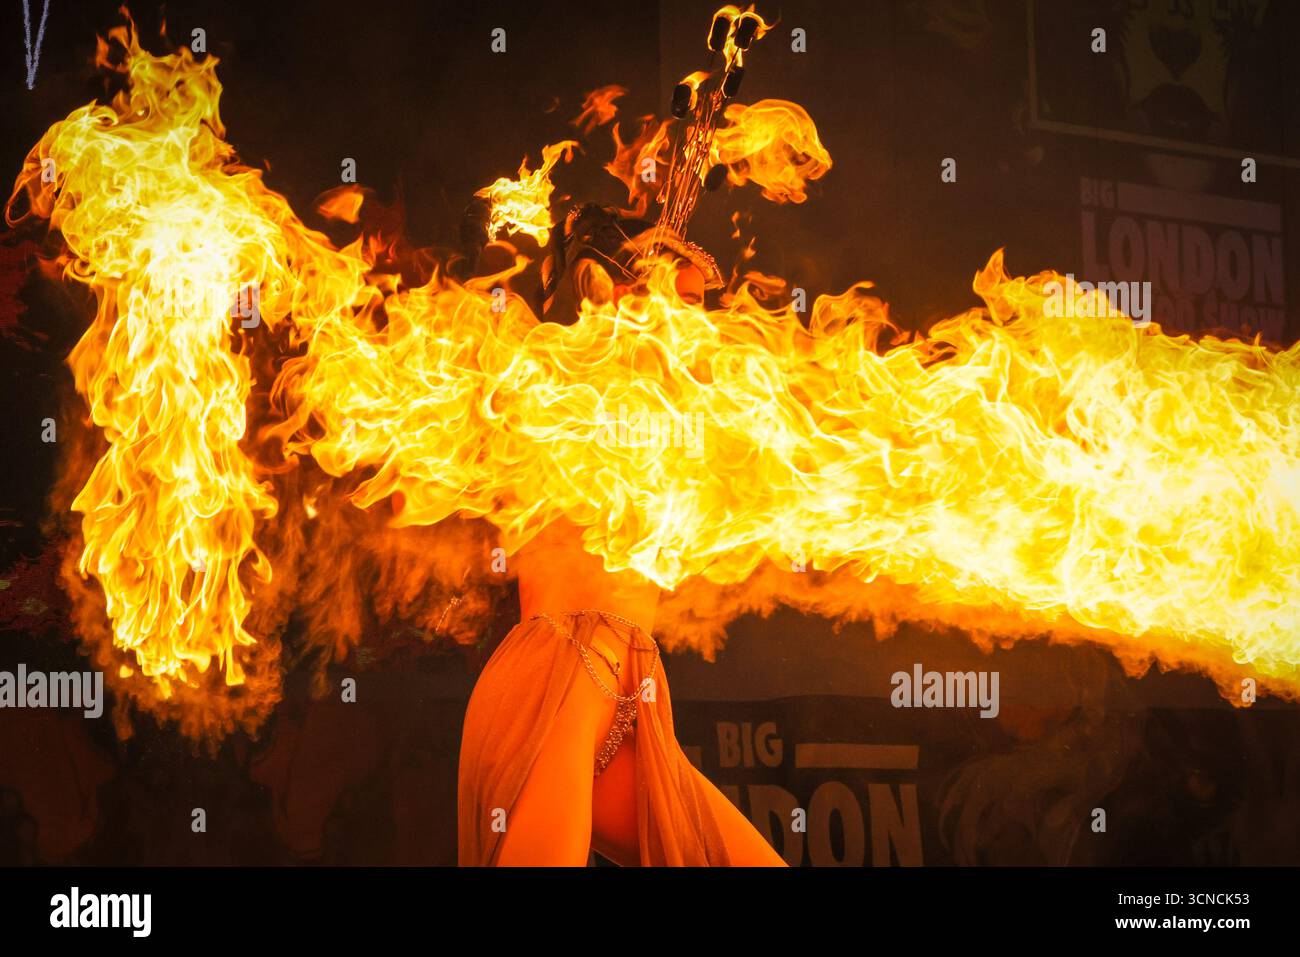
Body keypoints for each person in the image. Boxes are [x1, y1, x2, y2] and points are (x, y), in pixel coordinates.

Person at [456, 208, 787, 866]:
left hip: (629, 712)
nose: (700, 321)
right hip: (555, 682)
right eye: (686, 301)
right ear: (621, 297)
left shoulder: (673, 408)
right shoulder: (574, 386)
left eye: (701, 304)